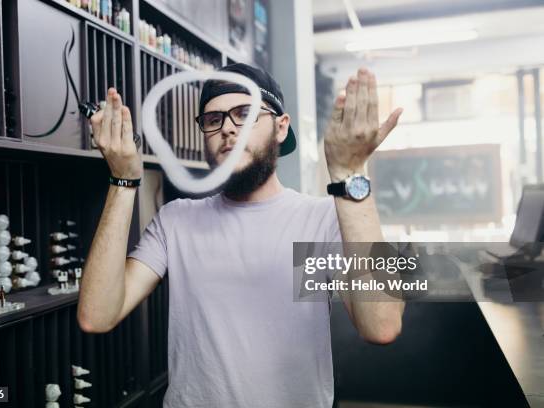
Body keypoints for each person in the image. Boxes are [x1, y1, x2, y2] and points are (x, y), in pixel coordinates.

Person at [77, 63, 405, 408]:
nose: (228, 129)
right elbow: (97, 314)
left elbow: (381, 324)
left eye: (245, 114)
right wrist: (123, 179)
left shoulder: (321, 218)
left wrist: (350, 173)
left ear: (281, 128)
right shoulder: (176, 221)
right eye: (213, 119)